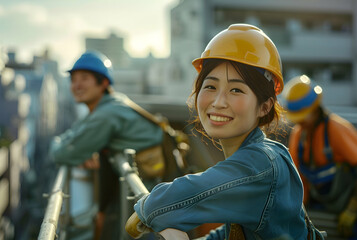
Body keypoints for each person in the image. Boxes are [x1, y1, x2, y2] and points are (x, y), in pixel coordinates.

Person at [125, 23, 311, 240]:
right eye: (211, 86)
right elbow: (233, 231)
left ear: (265, 106)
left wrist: (147, 209)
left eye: (236, 90)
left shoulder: (262, 163)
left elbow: (191, 193)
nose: (218, 102)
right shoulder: (256, 155)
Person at [50, 50, 163, 240]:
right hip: (146, 182)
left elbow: (62, 153)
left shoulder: (105, 115)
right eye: (73, 79)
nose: (76, 85)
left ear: (103, 83)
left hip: (147, 188)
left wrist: (57, 144)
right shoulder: (108, 106)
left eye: (84, 78)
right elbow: (76, 135)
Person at [282, 74, 357, 238]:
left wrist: (353, 209)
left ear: (315, 109)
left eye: (303, 118)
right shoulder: (299, 135)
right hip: (321, 206)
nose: (300, 122)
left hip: (350, 206)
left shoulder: (337, 129)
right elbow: (299, 180)